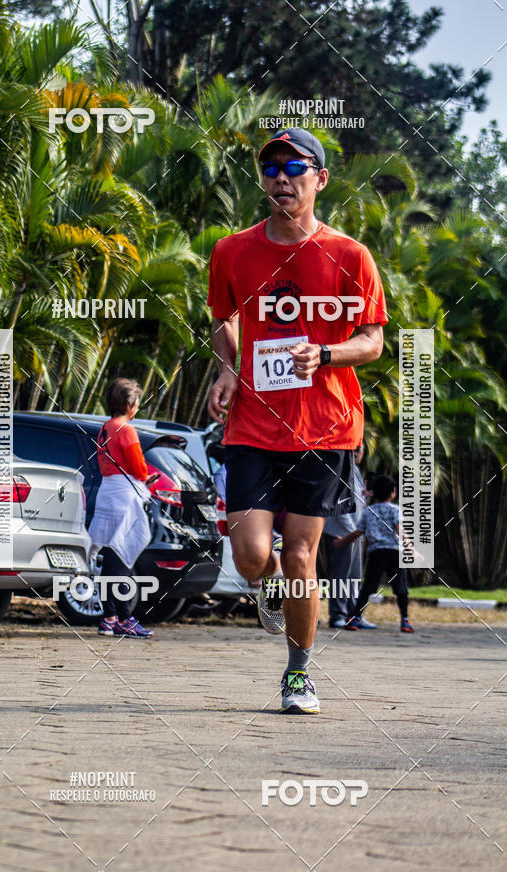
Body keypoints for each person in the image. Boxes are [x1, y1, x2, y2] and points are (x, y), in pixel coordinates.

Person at [207, 127, 387, 714]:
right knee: (252, 557)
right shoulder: (232, 250)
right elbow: (222, 320)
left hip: (326, 425)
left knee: (305, 556)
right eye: (270, 169)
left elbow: (372, 340)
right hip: (253, 424)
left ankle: (298, 674)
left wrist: (327, 354)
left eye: (295, 167)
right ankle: (272, 583)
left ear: (320, 179)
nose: (281, 177)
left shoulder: (349, 255)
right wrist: (228, 369)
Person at [89, 377, 159, 638]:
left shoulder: (105, 427)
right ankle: (125, 619)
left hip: (109, 492)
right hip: (124, 496)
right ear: (130, 404)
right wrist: (146, 477)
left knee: (110, 557)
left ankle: (109, 617)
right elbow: (138, 467)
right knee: (122, 558)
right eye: (137, 401)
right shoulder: (127, 429)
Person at [334, 474, 414, 633]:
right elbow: (399, 528)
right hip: (395, 553)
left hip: (376, 552)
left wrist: (342, 541)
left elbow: (358, 532)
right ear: (393, 492)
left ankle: (355, 618)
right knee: (401, 587)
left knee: (368, 586)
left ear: (374, 493)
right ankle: (405, 621)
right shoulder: (395, 509)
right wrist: (409, 546)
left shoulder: (368, 511)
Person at [322, 445, 371, 628]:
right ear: (355, 452)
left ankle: (354, 614)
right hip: (342, 532)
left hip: (355, 532)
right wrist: (351, 531)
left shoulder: (355, 470)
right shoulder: (340, 470)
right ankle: (338, 615)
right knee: (340, 577)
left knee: (355, 576)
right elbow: (338, 503)